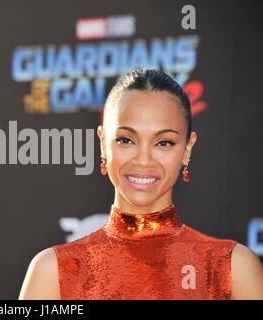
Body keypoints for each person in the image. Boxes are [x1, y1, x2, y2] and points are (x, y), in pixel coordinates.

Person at [19, 69, 263, 300]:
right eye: (126, 140)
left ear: (187, 149)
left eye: (164, 142)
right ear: (103, 144)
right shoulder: (54, 271)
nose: (143, 160)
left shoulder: (232, 268)